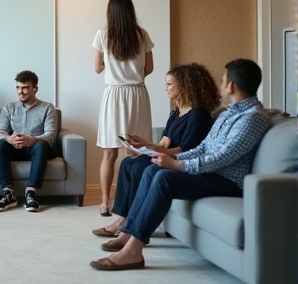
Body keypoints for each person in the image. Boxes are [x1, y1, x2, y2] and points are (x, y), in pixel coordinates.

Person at [90, 58, 272, 271]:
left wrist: (177, 166)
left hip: (228, 180)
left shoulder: (252, 118)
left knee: (164, 178)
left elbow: (222, 157)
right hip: (211, 173)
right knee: (152, 170)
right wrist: (173, 159)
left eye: (223, 80)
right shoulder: (229, 113)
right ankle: (129, 233)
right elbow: (204, 148)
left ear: (230, 85)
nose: (221, 84)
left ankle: (133, 251)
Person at [92, 63, 220, 237]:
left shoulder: (198, 115)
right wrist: (141, 144)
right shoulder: (175, 113)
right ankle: (120, 217)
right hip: (169, 156)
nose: (165, 88)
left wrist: (153, 152)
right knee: (127, 162)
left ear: (184, 85)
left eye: (169, 84)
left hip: (182, 162)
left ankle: (126, 223)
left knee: (138, 167)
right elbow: (163, 144)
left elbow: (186, 151)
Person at [93, 0, 154, 217]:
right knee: (135, 152)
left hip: (114, 95)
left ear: (110, 12)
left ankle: (104, 203)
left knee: (109, 153)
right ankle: (129, 201)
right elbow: (149, 69)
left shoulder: (103, 34)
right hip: (137, 94)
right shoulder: (142, 34)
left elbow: (97, 68)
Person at [0, 70, 57, 213]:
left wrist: (32, 140)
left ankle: (31, 193)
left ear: (35, 89)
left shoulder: (47, 108)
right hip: (14, 148)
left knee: (41, 145)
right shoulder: (9, 107)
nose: (20, 92)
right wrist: (9, 138)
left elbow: (50, 135)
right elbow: (0, 133)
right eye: (18, 88)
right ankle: (8, 194)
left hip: (37, 149)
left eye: (25, 88)